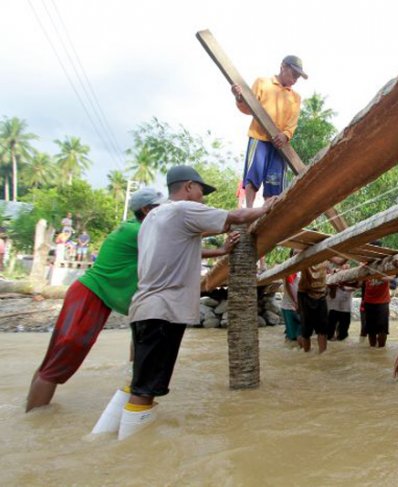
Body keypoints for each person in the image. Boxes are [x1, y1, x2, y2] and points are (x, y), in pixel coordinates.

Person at [115, 166, 274, 440]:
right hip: (163, 312)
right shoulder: (182, 209)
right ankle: (131, 455)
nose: (202, 197)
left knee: (138, 382)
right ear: (188, 187)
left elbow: (183, 249)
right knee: (146, 390)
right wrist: (265, 208)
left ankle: (108, 440)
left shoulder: (153, 219)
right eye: (201, 190)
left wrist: (222, 251)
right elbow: (235, 216)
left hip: (144, 308)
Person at [26, 188, 166, 412]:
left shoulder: (135, 228)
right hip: (91, 294)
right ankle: (34, 422)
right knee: (60, 360)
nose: (167, 214)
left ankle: (32, 417)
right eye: (162, 209)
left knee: (55, 358)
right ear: (147, 210)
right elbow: (178, 243)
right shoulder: (139, 232)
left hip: (92, 294)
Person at [231, 55, 307, 209]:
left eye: (298, 77)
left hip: (280, 145)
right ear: (283, 67)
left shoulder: (295, 97)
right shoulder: (262, 83)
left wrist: (286, 135)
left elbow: (293, 122)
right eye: (294, 74)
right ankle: (249, 210)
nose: (295, 79)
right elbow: (248, 108)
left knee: (275, 183)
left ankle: (268, 214)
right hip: (259, 137)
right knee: (253, 176)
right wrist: (239, 97)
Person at [298, 255, 346, 353]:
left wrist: (350, 248)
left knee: (323, 328)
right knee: (306, 329)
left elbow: (340, 261)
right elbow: (295, 254)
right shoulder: (305, 252)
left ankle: (322, 355)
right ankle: (306, 354)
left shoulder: (326, 252)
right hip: (305, 293)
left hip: (321, 294)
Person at [326, 263, 357, 340]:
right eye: (344, 265)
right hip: (333, 308)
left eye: (347, 265)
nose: (346, 266)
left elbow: (356, 287)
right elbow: (332, 294)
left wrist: (343, 287)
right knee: (330, 334)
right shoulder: (333, 276)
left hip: (346, 308)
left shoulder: (352, 277)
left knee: (343, 334)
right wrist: (336, 285)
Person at [281, 249, 302, 347]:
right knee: (292, 337)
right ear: (291, 256)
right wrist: (295, 302)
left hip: (299, 306)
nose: (297, 255)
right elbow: (287, 286)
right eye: (295, 253)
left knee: (298, 334)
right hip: (290, 306)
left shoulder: (302, 269)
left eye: (299, 253)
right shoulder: (290, 269)